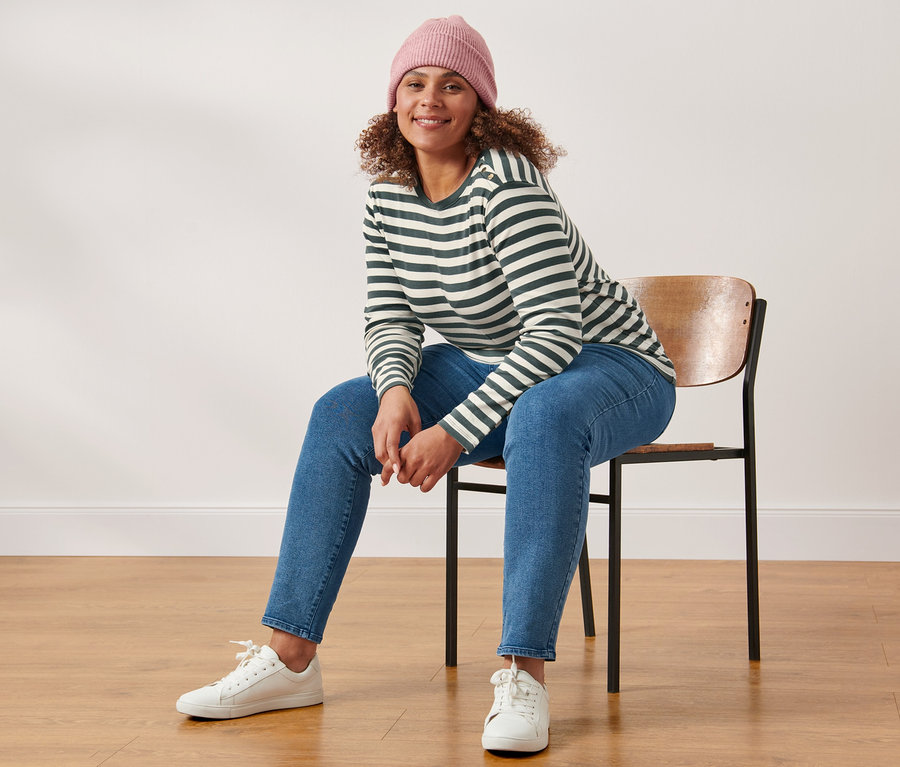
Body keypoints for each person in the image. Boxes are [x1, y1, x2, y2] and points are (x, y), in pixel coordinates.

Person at [176, 15, 676, 754]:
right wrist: (392, 391)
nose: (430, 99)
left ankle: (524, 673)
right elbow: (389, 315)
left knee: (542, 415)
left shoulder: (508, 187)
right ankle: (288, 659)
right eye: (414, 84)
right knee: (339, 410)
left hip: (613, 367)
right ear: (394, 101)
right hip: (503, 366)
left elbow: (553, 336)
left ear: (482, 105)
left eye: (452, 85)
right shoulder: (388, 197)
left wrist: (457, 430)